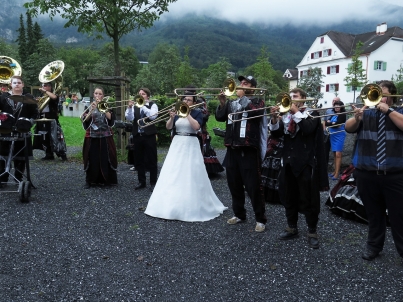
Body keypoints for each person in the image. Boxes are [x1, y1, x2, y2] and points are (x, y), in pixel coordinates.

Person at [145, 92, 227, 221]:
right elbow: (168, 127)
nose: (186, 101)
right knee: (173, 172)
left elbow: (196, 127)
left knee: (190, 172)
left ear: (194, 102)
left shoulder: (197, 113)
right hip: (177, 143)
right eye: (184, 99)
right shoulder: (178, 112)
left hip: (191, 143)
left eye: (189, 100)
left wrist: (187, 114)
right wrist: (172, 118)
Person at [345, 80, 403, 261]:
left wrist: (388, 111)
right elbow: (349, 128)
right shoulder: (366, 113)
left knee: (399, 216)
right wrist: (357, 118)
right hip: (367, 173)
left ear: (391, 97)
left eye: (383, 93)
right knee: (373, 214)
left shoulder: (398, 112)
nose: (378, 97)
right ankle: (373, 246)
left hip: (395, 174)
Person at [269, 88, 328, 248]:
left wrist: (295, 111)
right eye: (290, 96)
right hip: (288, 162)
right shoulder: (287, 115)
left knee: (309, 198)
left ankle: (312, 231)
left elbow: (308, 129)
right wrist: (274, 119)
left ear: (303, 99)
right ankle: (291, 227)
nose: (291, 99)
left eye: (294, 96)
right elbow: (276, 134)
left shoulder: (314, 113)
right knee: (289, 195)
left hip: (306, 163)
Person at [215, 75, 267, 233]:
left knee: (253, 186)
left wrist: (243, 98)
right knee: (234, 184)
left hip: (248, 149)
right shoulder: (232, 102)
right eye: (241, 82)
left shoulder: (258, 101)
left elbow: (254, 114)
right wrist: (223, 103)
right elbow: (219, 117)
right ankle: (239, 214)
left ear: (252, 87)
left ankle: (260, 219)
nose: (241, 85)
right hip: (232, 148)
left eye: (246, 83)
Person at [0, 76, 38, 187]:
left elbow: (35, 114)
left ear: (23, 84)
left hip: (22, 130)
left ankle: (19, 178)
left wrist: (29, 123)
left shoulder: (28, 98)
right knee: (3, 155)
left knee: (21, 156)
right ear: (10, 84)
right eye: (15, 82)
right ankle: (3, 179)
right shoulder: (3, 97)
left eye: (19, 82)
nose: (17, 84)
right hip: (6, 130)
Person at [81, 87, 117, 188]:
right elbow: (85, 120)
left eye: (100, 94)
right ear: (93, 95)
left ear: (103, 96)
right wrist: (92, 109)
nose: (97, 95)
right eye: (96, 93)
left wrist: (103, 107)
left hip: (105, 137)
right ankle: (90, 181)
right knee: (91, 159)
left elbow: (110, 119)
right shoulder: (88, 106)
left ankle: (106, 180)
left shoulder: (107, 106)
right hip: (92, 136)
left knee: (106, 158)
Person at [126, 88, 158, 191]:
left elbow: (153, 117)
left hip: (149, 136)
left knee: (152, 159)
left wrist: (143, 106)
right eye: (139, 94)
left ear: (147, 96)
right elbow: (130, 118)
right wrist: (130, 108)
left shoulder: (153, 105)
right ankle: (141, 182)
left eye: (143, 94)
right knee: (139, 160)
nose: (141, 96)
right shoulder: (134, 106)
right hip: (137, 136)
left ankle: (153, 183)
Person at [32, 81, 67, 161]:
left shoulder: (53, 95)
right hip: (42, 119)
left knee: (56, 137)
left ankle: (62, 154)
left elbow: (54, 97)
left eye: (46, 86)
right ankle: (49, 154)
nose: (44, 87)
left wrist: (46, 92)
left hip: (52, 119)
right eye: (43, 85)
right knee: (44, 137)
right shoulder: (42, 96)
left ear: (50, 87)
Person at [261, 115, 284, 204]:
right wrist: (275, 119)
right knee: (269, 163)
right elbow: (274, 131)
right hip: (275, 142)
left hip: (287, 144)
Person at [325, 100, 347, 180]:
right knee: (334, 154)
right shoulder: (333, 114)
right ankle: (334, 171)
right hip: (333, 135)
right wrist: (332, 123)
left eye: (338, 105)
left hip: (339, 135)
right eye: (335, 105)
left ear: (341, 106)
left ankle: (337, 173)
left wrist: (331, 123)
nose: (337, 107)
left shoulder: (342, 114)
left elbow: (337, 124)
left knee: (338, 154)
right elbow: (326, 123)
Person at [323, 97, 338, 166]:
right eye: (333, 101)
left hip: (335, 133)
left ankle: (335, 170)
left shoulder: (341, 111)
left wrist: (330, 122)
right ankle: (325, 167)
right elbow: (324, 121)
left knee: (336, 152)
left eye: (335, 101)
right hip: (327, 133)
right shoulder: (328, 110)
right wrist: (324, 130)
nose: (334, 102)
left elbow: (338, 123)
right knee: (325, 151)